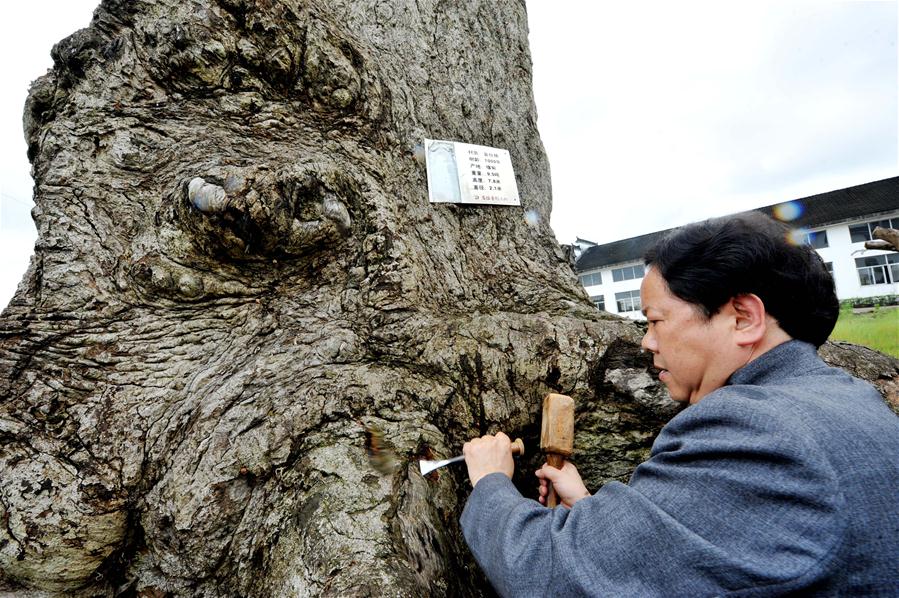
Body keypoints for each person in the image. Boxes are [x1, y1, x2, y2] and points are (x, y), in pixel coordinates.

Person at [461, 212, 899, 597]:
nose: (647, 343)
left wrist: (491, 484)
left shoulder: (753, 427)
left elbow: (552, 576)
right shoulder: (852, 398)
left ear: (743, 317)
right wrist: (600, 516)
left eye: (655, 321)